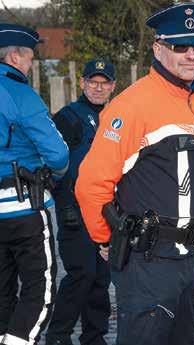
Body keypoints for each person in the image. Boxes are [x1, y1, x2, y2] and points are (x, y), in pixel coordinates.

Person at [75, 3, 194, 345]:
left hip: (189, 259)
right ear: (158, 48)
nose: (191, 55)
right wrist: (104, 240)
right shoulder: (132, 105)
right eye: (179, 46)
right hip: (148, 261)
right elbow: (91, 184)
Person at [0, 24, 69, 345]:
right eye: (29, 58)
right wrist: (52, 176)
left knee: (1, 289)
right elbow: (57, 153)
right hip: (24, 207)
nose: (29, 65)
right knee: (39, 290)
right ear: (15, 56)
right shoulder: (20, 93)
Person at [45, 59, 116, 345]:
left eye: (104, 83)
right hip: (75, 210)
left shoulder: (117, 117)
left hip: (106, 211)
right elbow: (54, 164)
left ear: (113, 86)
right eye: (93, 82)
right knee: (81, 274)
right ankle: (58, 335)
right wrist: (64, 206)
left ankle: (94, 337)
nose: (98, 88)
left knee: (101, 278)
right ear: (83, 83)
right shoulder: (68, 117)